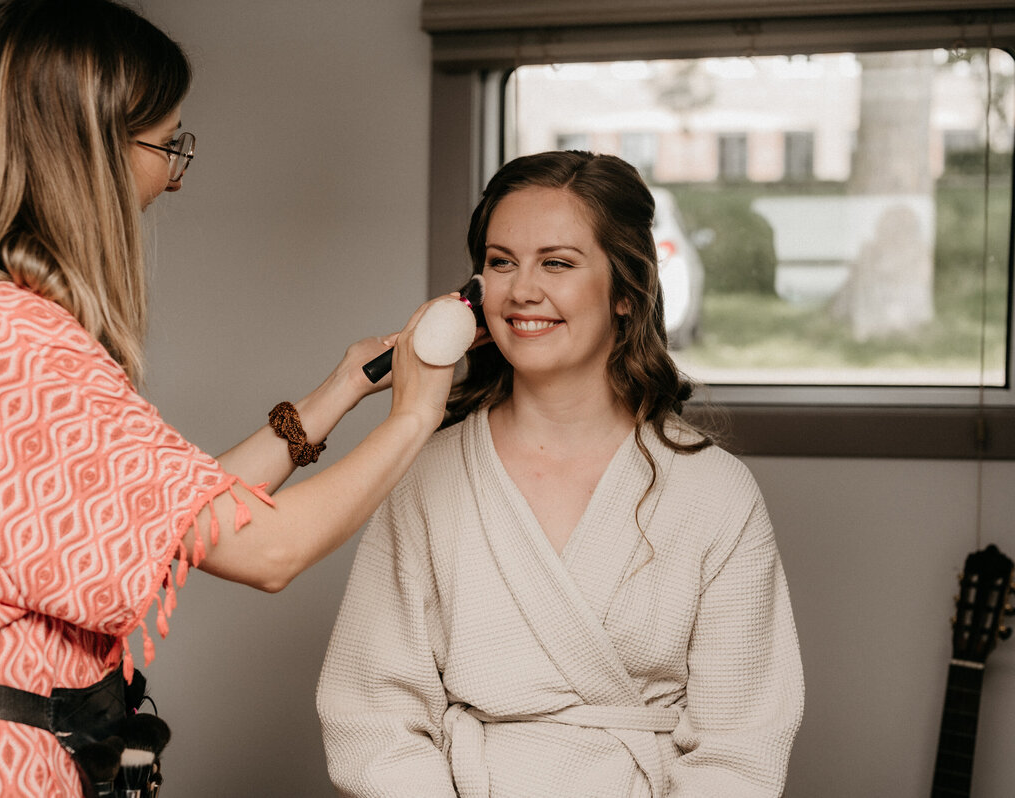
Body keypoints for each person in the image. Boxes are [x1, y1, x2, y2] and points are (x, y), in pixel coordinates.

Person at [0, 1, 456, 796]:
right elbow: (265, 550)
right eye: (167, 146)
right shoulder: (18, 342)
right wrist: (417, 417)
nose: (172, 177)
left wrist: (340, 391)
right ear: (91, 152)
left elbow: (175, 522)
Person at [317, 150, 804, 797]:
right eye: (500, 262)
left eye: (557, 262)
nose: (521, 290)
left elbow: (739, 747)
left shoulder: (714, 492)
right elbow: (373, 717)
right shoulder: (424, 477)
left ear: (627, 293)